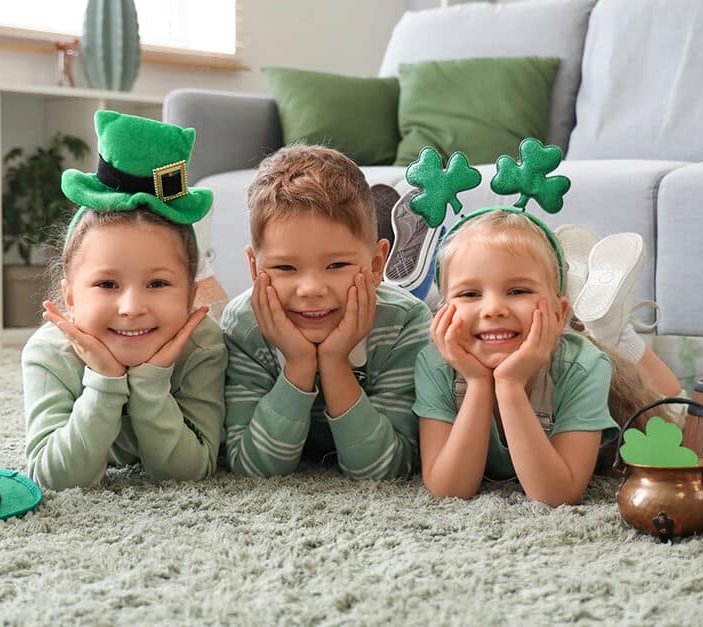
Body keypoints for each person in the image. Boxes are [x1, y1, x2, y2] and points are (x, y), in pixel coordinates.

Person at [410, 140, 680, 505]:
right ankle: (605, 325)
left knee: (674, 411)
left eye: (517, 290)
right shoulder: (435, 364)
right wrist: (476, 382)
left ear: (556, 312)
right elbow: (449, 489)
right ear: (443, 311)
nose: (492, 309)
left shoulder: (583, 366)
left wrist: (508, 384)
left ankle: (613, 332)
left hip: (610, 368)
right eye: (470, 294)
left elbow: (558, 493)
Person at [22, 111, 227, 490]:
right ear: (69, 296)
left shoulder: (202, 346)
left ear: (190, 296)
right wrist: (103, 381)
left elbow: (190, 471)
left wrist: (150, 383)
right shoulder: (49, 353)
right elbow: (54, 478)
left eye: (157, 283)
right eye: (106, 284)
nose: (131, 307)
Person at [221, 145, 432, 480]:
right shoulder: (245, 324)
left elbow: (385, 469)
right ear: (254, 267)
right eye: (286, 267)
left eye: (336, 265)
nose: (311, 289)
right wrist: (299, 365)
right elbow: (254, 467)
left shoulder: (404, 323)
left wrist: (334, 363)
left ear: (377, 264)